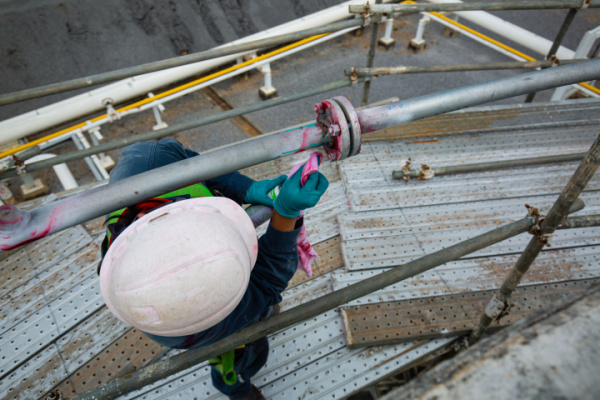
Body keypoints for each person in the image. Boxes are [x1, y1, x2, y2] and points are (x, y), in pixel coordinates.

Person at [98, 138, 329, 400]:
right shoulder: (190, 324)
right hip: (209, 331)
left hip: (191, 320)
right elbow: (266, 280)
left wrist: (245, 188)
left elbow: (193, 163)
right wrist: (286, 213)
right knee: (236, 351)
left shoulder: (147, 162)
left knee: (253, 311)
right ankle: (236, 387)